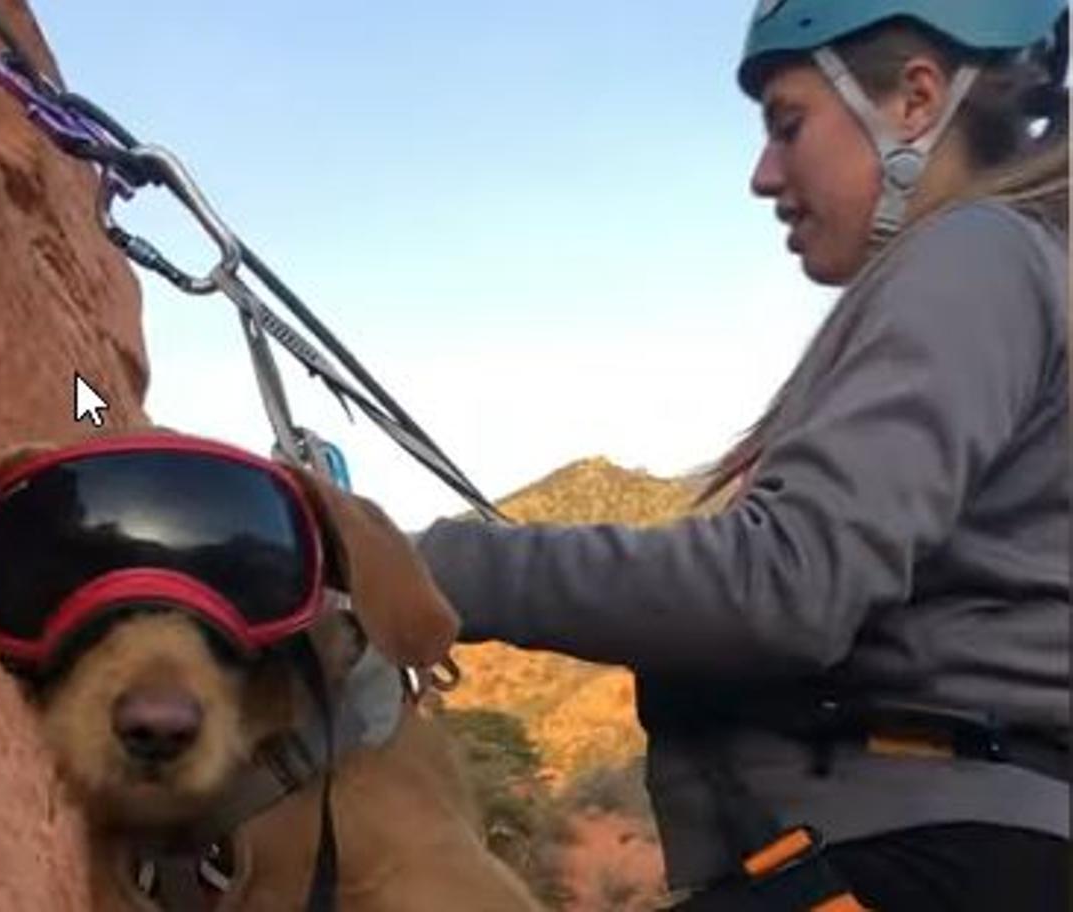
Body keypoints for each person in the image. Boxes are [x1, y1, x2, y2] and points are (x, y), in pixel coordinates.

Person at [414, 2, 1070, 909]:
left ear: (916, 99)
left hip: (917, 855)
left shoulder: (977, 251)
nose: (764, 175)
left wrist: (432, 566)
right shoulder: (1030, 264)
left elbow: (789, 582)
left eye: (787, 125)